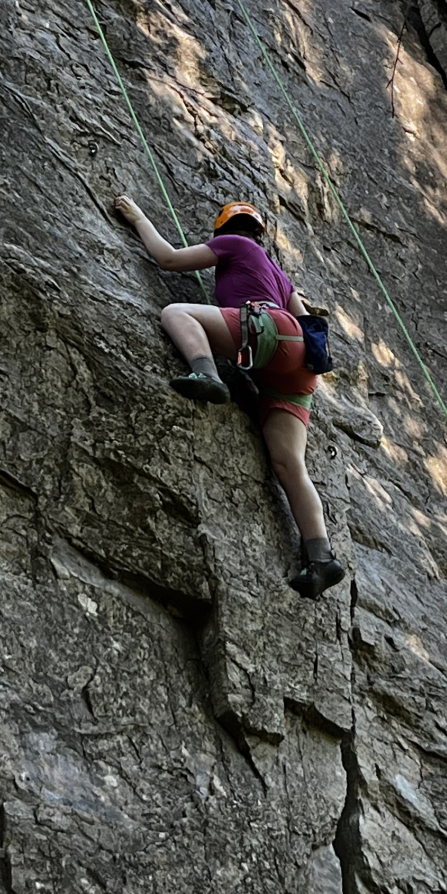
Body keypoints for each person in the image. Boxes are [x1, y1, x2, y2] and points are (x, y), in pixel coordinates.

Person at [113, 193, 347, 598]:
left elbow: (167, 258)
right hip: (299, 363)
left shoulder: (235, 244)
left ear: (221, 230)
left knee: (175, 313)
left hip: (267, 332)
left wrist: (136, 217)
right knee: (288, 463)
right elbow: (306, 320)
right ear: (261, 232)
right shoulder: (279, 273)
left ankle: (205, 373)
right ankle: (321, 557)